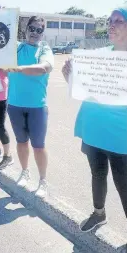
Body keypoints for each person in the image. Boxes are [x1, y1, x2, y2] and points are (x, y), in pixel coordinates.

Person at [62, 5, 127, 232]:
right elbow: (81, 89)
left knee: (124, 185)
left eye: (119, 20)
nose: (112, 24)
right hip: (93, 129)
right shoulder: (98, 56)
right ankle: (99, 214)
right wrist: (69, 76)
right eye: (111, 20)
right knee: (97, 174)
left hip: (121, 135)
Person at [6, 16, 54, 196]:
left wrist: (19, 68)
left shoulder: (45, 48)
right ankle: (25, 172)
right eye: (32, 28)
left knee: (39, 146)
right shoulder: (15, 47)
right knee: (21, 142)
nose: (34, 32)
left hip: (37, 107)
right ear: (25, 30)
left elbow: (44, 68)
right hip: (15, 105)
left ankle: (43, 181)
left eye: (39, 30)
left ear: (43, 33)